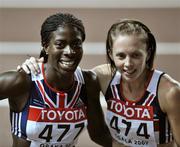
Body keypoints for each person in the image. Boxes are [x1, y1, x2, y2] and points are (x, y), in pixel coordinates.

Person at [21, 19, 180, 147]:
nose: (128, 64)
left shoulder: (168, 92)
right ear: (110, 54)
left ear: (149, 52)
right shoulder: (103, 77)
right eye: (121, 56)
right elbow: (62, 71)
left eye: (136, 55)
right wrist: (35, 65)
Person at [0, 12, 112, 147]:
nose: (70, 51)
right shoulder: (22, 81)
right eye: (60, 44)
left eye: (76, 44)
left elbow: (99, 134)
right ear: (46, 46)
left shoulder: (88, 82)